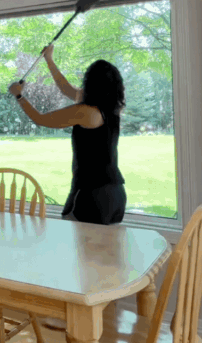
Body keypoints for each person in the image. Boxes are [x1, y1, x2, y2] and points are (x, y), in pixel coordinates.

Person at [8, 44, 126, 224]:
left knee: (80, 249)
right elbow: (65, 88)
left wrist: (19, 96)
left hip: (91, 193)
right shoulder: (113, 109)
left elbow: (41, 119)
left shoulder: (84, 111)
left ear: (90, 82)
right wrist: (49, 60)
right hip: (116, 194)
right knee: (105, 251)